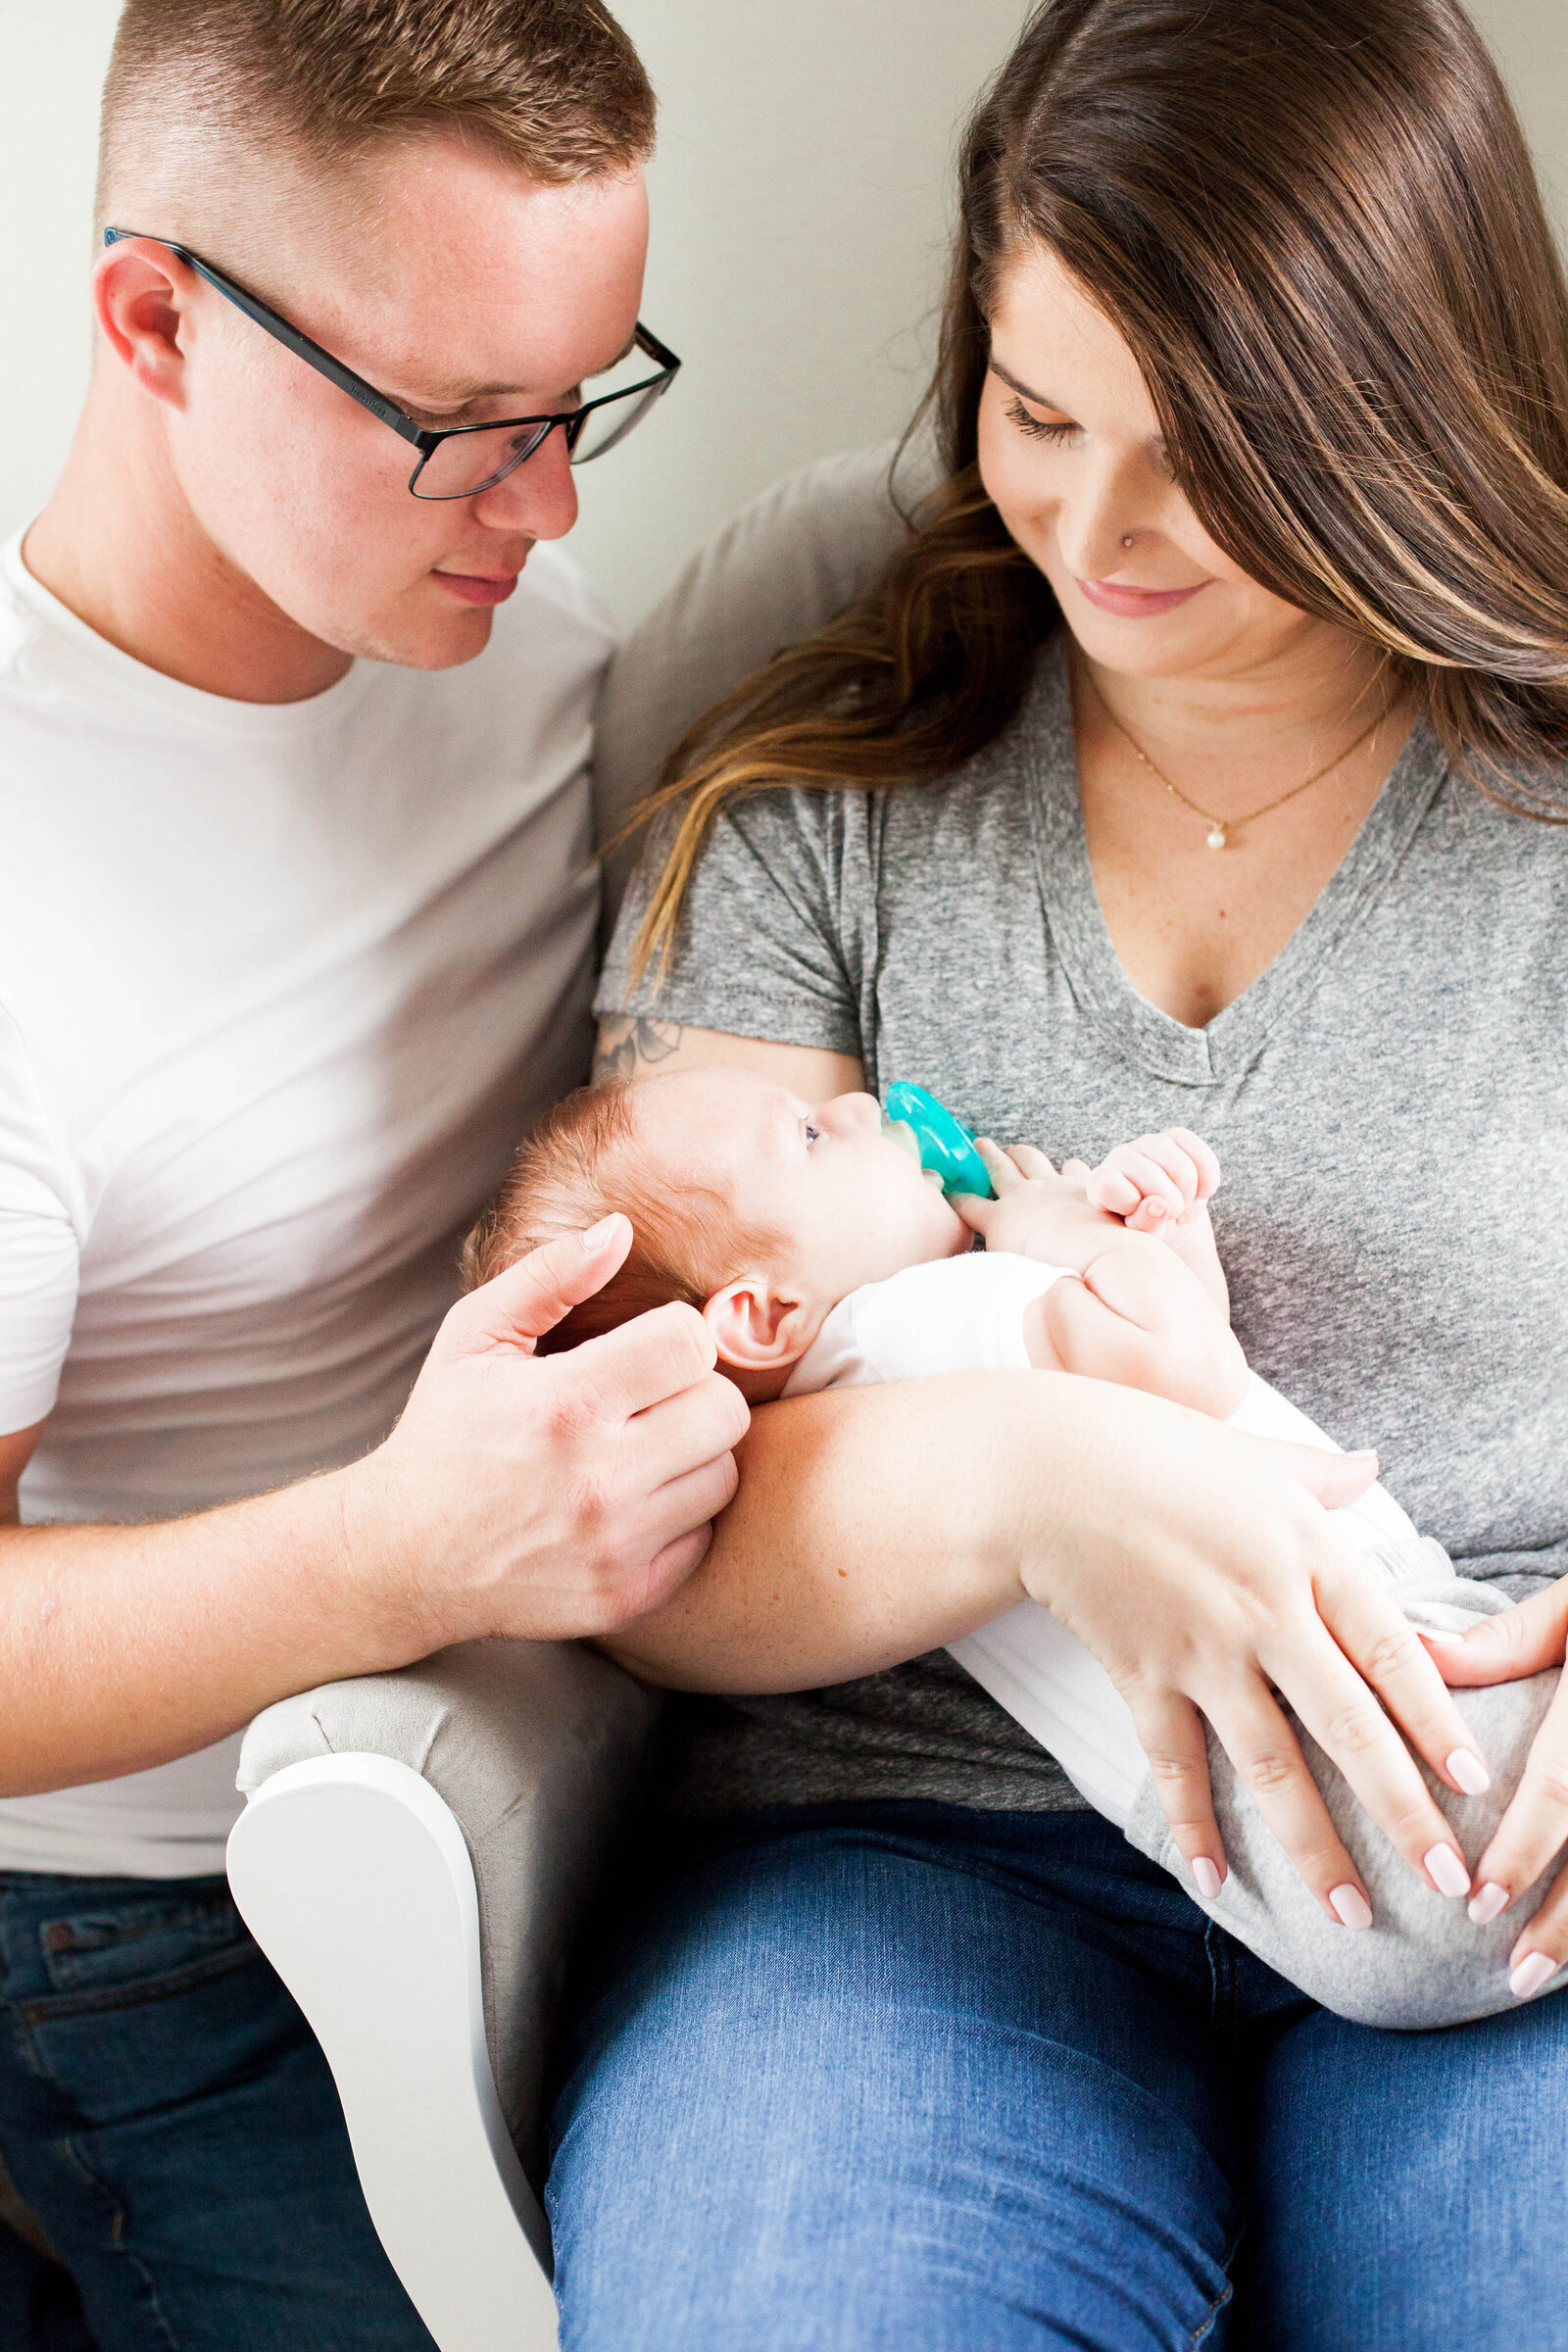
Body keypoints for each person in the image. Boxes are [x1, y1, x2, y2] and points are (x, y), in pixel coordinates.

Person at [547, 1, 1568, 2344]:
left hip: (1493, 1843)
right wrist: (1031, 1475)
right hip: (909, 1859)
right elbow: (629, 1499)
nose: (1091, 531)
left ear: (1393, 409)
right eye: (1033, 413)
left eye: (1204, 455)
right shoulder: (819, 807)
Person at [0, 3, 755, 2343]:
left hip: (566, 1747)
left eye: (579, 401)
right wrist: (397, 1540)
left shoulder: (510, 633)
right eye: (459, 430)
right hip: (150, 1913)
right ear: (151, 318)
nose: (543, 513)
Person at [466, 1064, 1561, 2028]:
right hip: (1372, 1708)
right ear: (760, 1315)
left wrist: (1154, 1259)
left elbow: (1182, 1392)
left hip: (1281, 1865)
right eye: (806, 1136)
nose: (856, 1104)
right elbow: (1184, 1369)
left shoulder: (867, 1402)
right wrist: (1061, 1237)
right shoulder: (921, 1318)